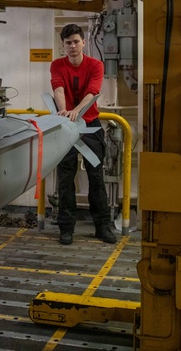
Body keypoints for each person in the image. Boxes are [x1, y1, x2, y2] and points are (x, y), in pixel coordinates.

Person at [51, 23, 116, 246]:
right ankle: (66, 229)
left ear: (84, 42)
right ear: (63, 45)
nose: (72, 46)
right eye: (68, 43)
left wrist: (76, 111)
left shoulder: (95, 65)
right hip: (66, 125)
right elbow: (58, 88)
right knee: (65, 178)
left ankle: (102, 227)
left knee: (96, 177)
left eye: (76, 41)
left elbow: (92, 92)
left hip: (90, 125)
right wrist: (64, 111)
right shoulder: (57, 65)